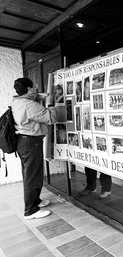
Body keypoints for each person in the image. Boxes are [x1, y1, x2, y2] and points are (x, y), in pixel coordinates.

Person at [12, 78, 56, 220]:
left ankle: (36, 201)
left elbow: (34, 99)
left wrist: (41, 96)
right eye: (34, 88)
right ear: (29, 89)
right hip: (30, 144)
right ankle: (30, 211)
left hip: (24, 142)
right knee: (32, 176)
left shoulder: (17, 101)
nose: (36, 89)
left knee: (33, 174)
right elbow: (51, 118)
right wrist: (53, 103)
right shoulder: (29, 105)